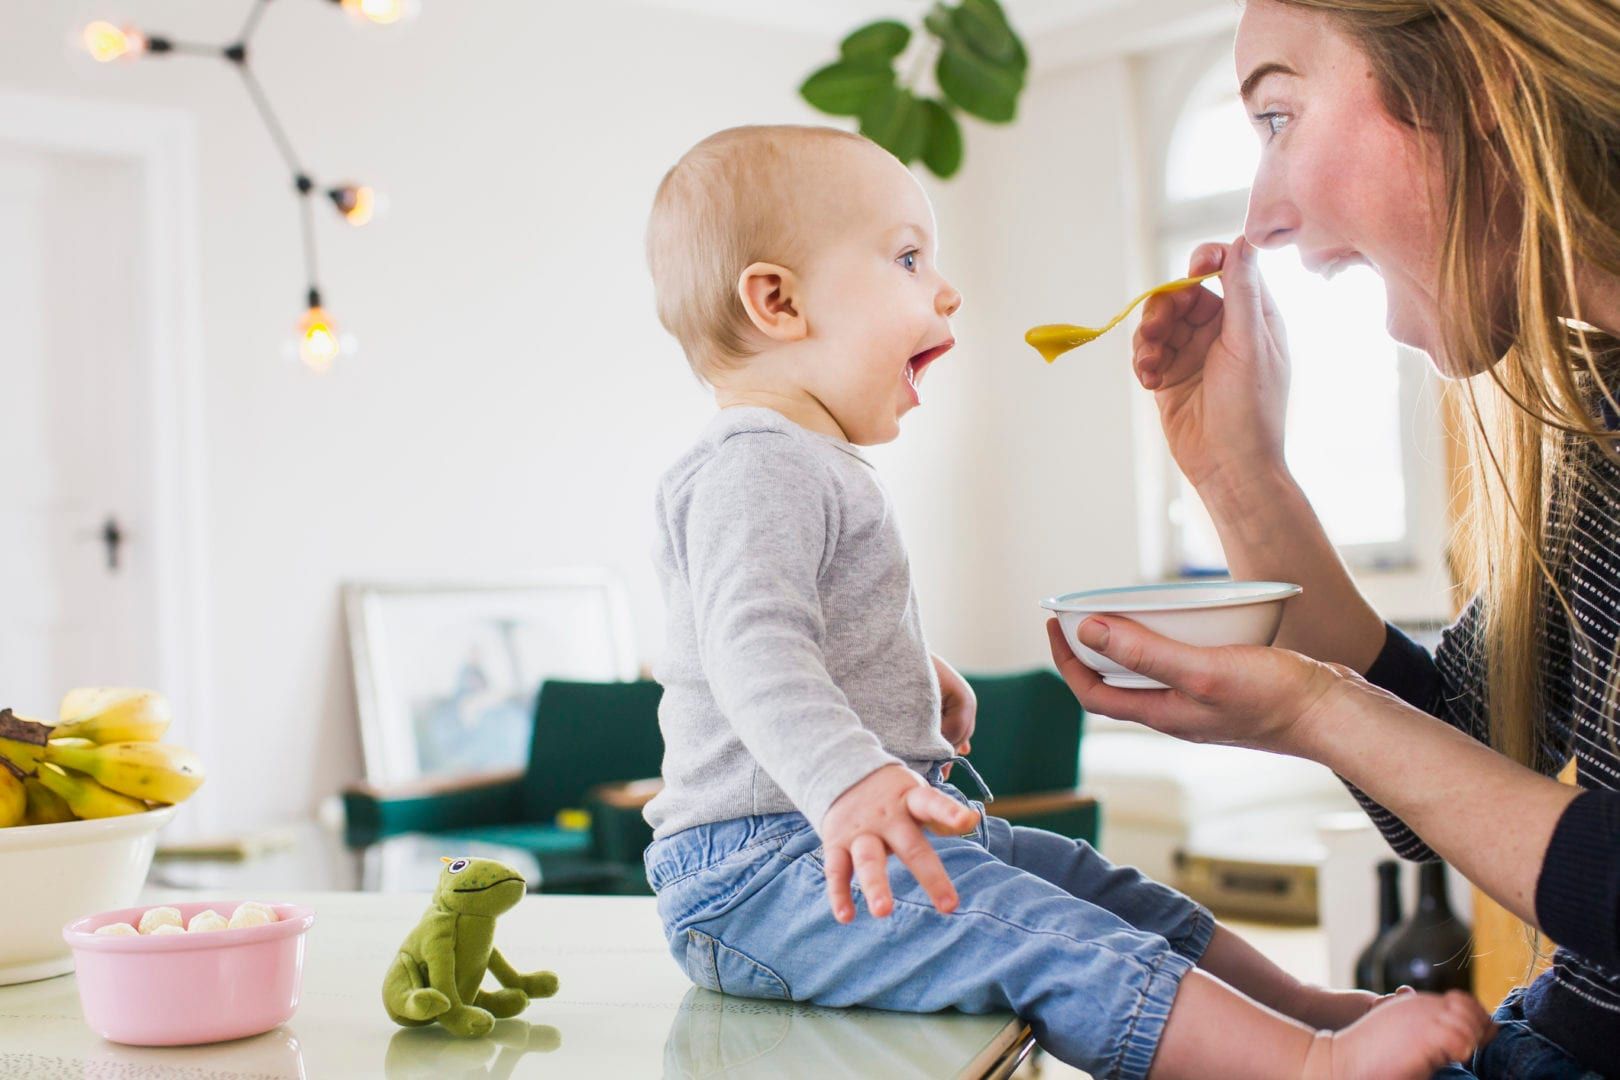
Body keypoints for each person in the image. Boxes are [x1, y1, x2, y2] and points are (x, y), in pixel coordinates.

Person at [640, 123, 1491, 1079]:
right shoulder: (756, 463)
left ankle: (1300, 1007)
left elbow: (788, 630)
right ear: (778, 302)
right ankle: (1305, 1065)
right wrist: (851, 780)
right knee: (1038, 934)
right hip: (764, 874)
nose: (946, 289)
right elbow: (747, 647)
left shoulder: (802, 464)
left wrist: (902, 674)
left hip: (820, 844)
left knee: (1094, 886)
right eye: (908, 258)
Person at [1046, 1, 1620, 1075]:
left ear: (1480, 79)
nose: (1262, 213)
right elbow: (1467, 754)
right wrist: (1241, 475)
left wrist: (1321, 710)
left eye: (1277, 117)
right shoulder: (1603, 427)